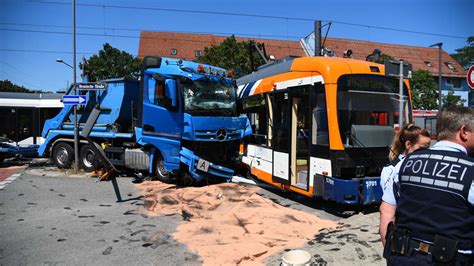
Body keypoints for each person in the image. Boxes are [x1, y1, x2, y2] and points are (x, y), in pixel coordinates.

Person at [380, 107, 474, 265]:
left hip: (402, 256)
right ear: (463, 132)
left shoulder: (404, 163)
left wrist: (392, 257)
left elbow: (386, 212)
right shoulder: (470, 169)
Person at [380, 124, 431, 195]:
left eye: (428, 148)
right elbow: (389, 201)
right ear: (408, 144)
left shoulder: (428, 166)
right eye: (422, 148)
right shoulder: (390, 169)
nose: (427, 152)